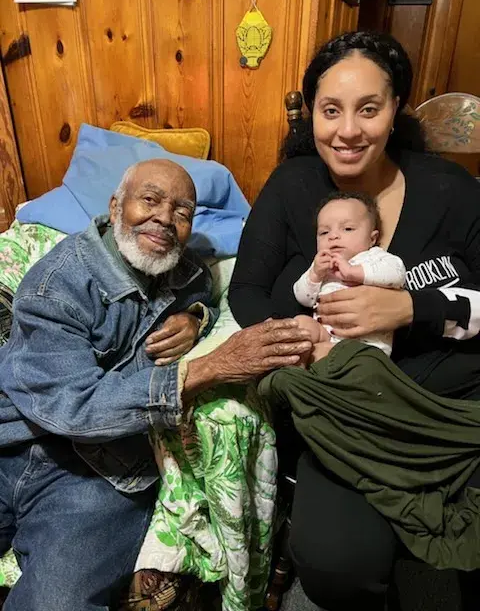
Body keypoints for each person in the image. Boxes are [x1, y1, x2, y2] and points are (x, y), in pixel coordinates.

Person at [228, 31, 480, 611]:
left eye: (368, 109)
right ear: (312, 113)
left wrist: (413, 309)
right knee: (333, 565)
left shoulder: (451, 190)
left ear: (396, 110)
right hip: (346, 415)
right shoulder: (292, 186)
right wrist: (303, 340)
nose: (347, 131)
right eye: (330, 110)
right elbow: (246, 291)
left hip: (454, 406)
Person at [0, 158, 312, 611]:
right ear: (115, 206)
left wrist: (197, 318)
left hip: (100, 477)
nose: (165, 218)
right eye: (150, 200)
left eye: (182, 212)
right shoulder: (57, 283)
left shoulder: (185, 272)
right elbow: (73, 408)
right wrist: (206, 368)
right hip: (15, 446)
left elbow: (205, 293)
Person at [293, 190, 406, 362]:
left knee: (329, 355)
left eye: (347, 229)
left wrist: (355, 272)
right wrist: (315, 275)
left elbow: (397, 274)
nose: (333, 236)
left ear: (372, 238)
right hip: (326, 335)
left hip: (364, 344)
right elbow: (303, 298)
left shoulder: (374, 257)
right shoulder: (322, 265)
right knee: (300, 324)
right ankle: (295, 370)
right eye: (324, 232)